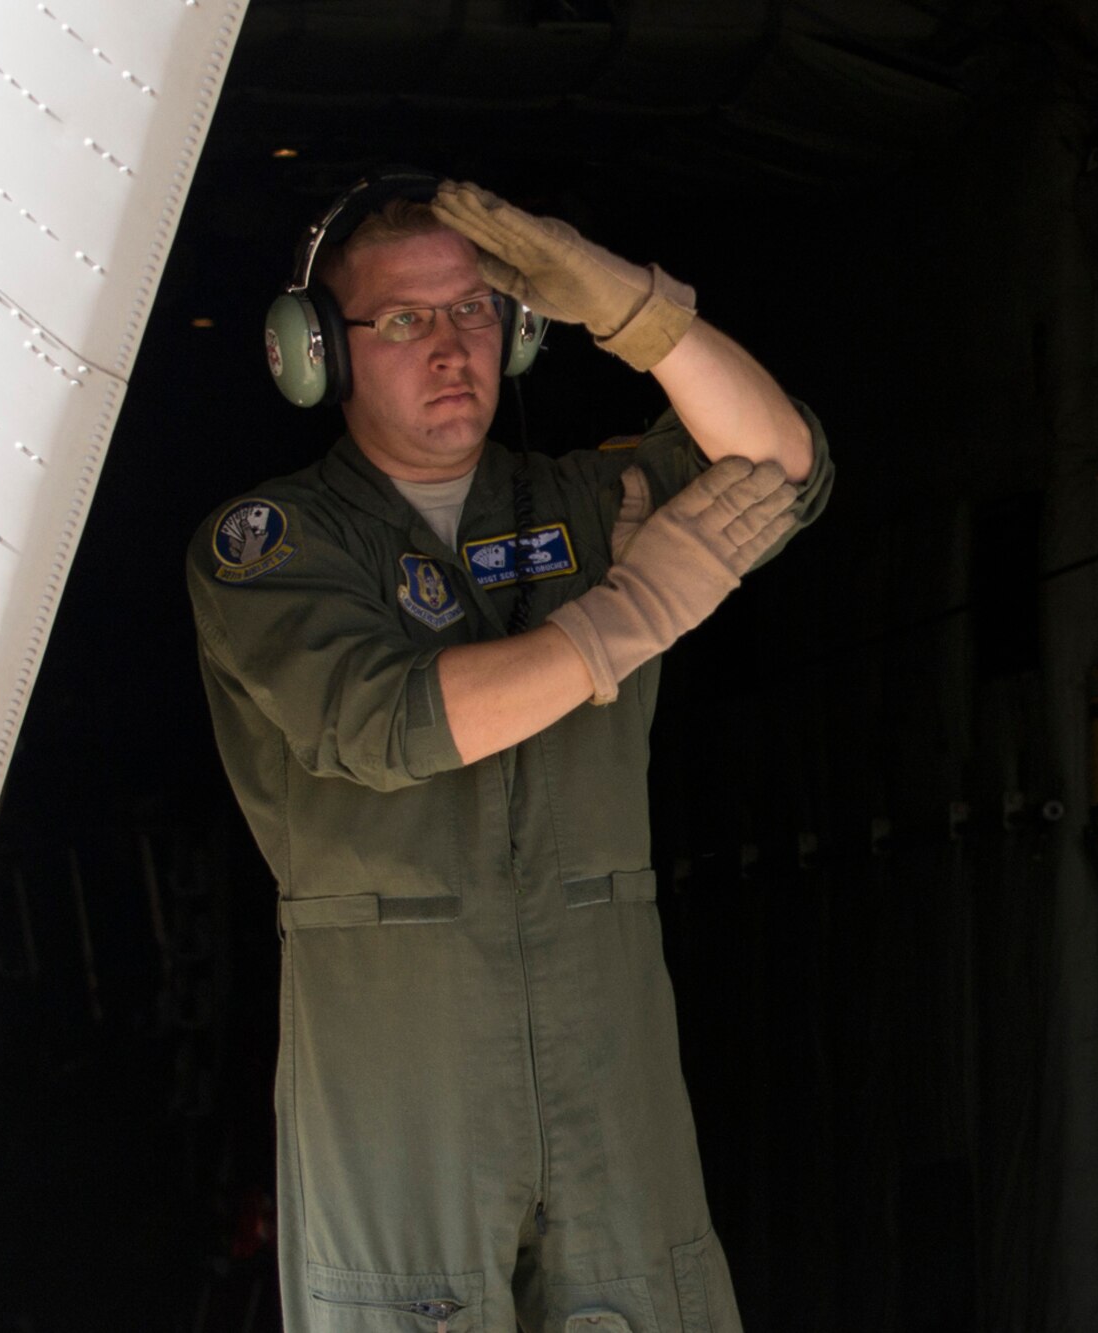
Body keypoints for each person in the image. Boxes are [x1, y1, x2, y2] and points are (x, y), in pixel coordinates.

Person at [186, 173, 832, 1333]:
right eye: (402, 320)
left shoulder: (583, 497)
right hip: (398, 1061)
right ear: (315, 352)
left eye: (477, 309)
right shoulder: (269, 546)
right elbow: (385, 723)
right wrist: (638, 606)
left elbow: (781, 465)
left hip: (606, 1024)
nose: (450, 347)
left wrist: (636, 310)